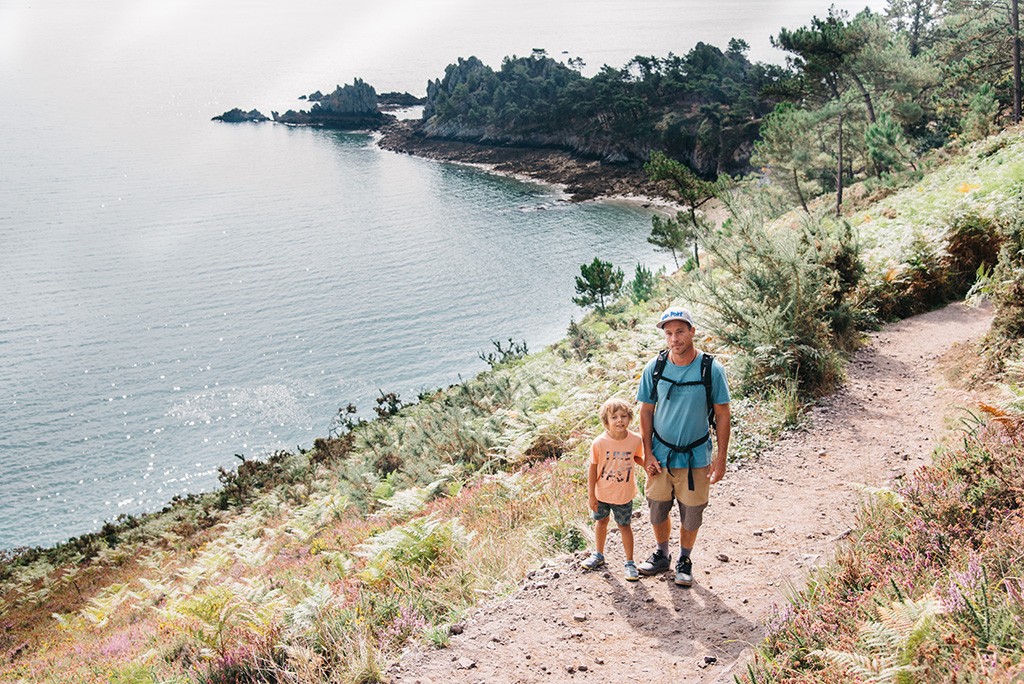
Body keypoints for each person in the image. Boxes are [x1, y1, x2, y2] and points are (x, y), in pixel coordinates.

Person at [636, 306, 730, 587]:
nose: (674, 338)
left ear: (692, 331)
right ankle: (662, 554)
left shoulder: (711, 368)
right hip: (660, 456)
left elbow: (722, 414)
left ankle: (685, 559)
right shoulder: (655, 368)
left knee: (692, 512)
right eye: (668, 333)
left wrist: (721, 457)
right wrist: (648, 453)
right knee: (657, 508)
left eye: (679, 331)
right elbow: (646, 413)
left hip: (696, 457)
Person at [581, 397, 645, 581]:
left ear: (629, 418)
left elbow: (638, 457)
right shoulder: (599, 443)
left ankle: (630, 562)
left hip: (623, 494)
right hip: (602, 492)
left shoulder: (635, 440)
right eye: (614, 417)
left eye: (623, 416)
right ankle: (598, 554)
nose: (619, 420)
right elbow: (592, 468)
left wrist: (648, 466)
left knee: (625, 526)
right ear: (606, 422)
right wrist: (591, 495)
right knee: (601, 522)